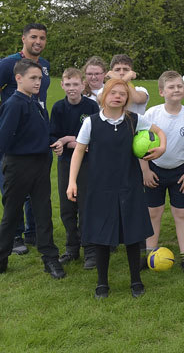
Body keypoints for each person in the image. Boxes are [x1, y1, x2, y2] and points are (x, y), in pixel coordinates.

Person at [66, 78, 166, 299]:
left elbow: (159, 132)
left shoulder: (134, 120)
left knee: (132, 236)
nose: (117, 97)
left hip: (129, 186)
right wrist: (72, 182)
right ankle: (102, 283)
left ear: (127, 99)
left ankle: (136, 281)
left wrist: (161, 148)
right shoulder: (91, 122)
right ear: (104, 96)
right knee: (102, 237)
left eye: (122, 94)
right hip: (100, 188)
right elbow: (79, 151)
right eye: (113, 93)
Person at [0, 59, 64, 278]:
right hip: (18, 166)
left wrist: (50, 143)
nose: (39, 82)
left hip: (40, 165)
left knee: (43, 213)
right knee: (11, 213)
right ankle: (1, 258)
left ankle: (50, 259)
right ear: (19, 79)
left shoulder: (35, 102)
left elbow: (39, 132)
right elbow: (4, 138)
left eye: (40, 78)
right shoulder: (14, 103)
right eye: (33, 78)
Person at [142, 71, 184, 273]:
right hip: (155, 171)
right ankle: (150, 253)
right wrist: (145, 171)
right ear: (161, 92)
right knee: (153, 213)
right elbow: (140, 145)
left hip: (181, 172)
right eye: (171, 87)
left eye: (179, 86)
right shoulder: (152, 114)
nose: (176, 90)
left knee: (181, 213)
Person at [0, 23, 51, 253]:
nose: (38, 41)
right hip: (14, 138)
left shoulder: (46, 67)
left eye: (42, 38)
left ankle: (33, 232)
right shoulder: (9, 64)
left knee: (37, 191)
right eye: (33, 37)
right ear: (23, 39)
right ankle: (16, 236)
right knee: (14, 191)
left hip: (38, 136)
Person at [50, 67, 99, 269]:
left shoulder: (92, 107)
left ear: (83, 85)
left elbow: (93, 138)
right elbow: (53, 137)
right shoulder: (58, 108)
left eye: (75, 84)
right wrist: (62, 142)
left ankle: (90, 250)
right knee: (67, 208)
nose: (72, 88)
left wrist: (69, 139)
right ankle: (72, 248)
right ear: (62, 85)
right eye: (68, 84)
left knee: (86, 206)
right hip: (66, 164)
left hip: (88, 165)